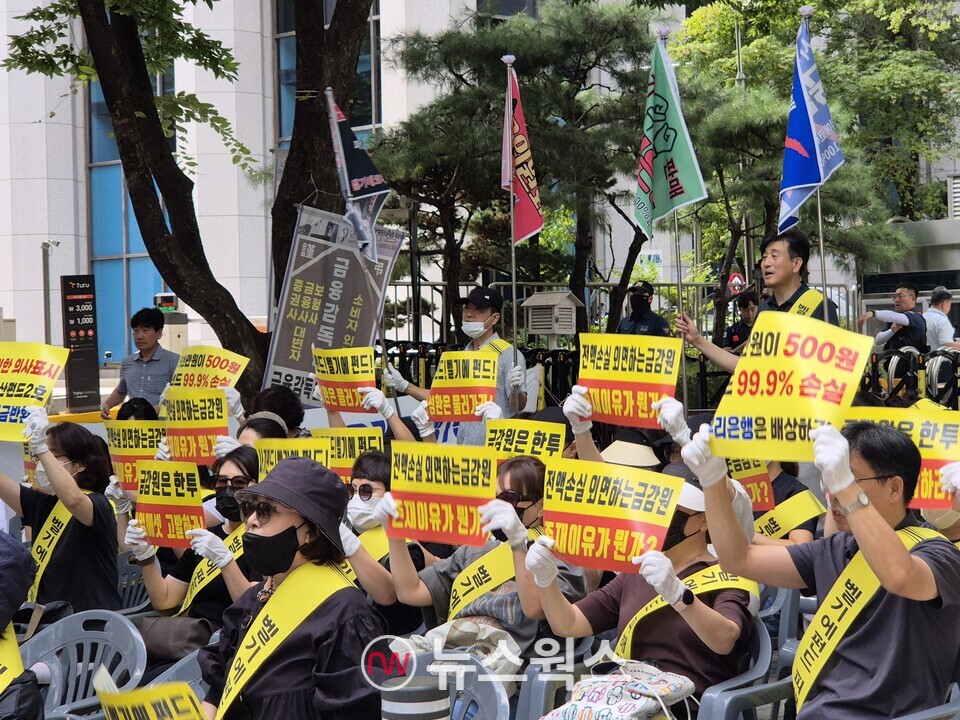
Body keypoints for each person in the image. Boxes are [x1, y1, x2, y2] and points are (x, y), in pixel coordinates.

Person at [683, 421, 960, 718]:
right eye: (829, 480)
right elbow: (739, 559)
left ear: (894, 488)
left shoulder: (938, 552)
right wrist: (712, 481)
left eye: (848, 479)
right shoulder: (835, 548)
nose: (832, 495)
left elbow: (899, 575)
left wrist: (845, 486)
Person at [525, 481, 756, 705]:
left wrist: (679, 595)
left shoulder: (725, 573)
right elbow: (569, 623)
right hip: (623, 697)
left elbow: (726, 639)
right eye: (658, 510)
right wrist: (546, 580)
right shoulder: (637, 572)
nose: (661, 519)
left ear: (704, 520)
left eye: (672, 510)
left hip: (684, 703)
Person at [198, 457, 389, 720]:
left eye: (266, 509)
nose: (252, 520)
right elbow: (217, 690)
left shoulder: (347, 616)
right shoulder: (252, 600)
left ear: (310, 531)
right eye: (250, 508)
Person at [377, 455, 587, 660]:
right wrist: (393, 532)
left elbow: (534, 609)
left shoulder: (559, 557)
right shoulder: (475, 551)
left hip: (505, 664)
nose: (498, 506)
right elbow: (410, 592)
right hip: (447, 647)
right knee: (383, 667)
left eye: (508, 498)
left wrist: (518, 544)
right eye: (494, 498)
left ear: (541, 505)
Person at [125, 446, 260, 680]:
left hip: (221, 648)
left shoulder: (263, 542)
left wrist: (226, 561)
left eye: (239, 483)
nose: (228, 490)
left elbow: (252, 607)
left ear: (257, 486)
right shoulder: (207, 537)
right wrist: (147, 558)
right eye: (221, 482)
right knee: (123, 673)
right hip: (183, 640)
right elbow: (164, 599)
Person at [0, 410, 121, 611]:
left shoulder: (99, 505)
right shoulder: (43, 502)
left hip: (89, 624)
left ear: (80, 465)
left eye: (53, 455)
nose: (42, 463)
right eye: (39, 455)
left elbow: (74, 501)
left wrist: (41, 448)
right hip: (45, 621)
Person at [676, 230, 839, 373]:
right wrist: (697, 339)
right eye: (764, 257)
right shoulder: (764, 310)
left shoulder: (820, 306)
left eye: (774, 256)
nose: (766, 263)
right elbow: (748, 367)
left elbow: (832, 371)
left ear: (796, 264)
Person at [385, 286, 527, 446]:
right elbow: (440, 398)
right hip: (463, 448)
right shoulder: (462, 355)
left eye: (479, 309)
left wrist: (516, 389)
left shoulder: (508, 354)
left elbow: (519, 406)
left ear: (494, 318)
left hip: (497, 449)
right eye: (466, 308)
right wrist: (404, 385)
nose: (469, 314)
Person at [338, 450, 449, 636]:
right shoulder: (347, 531)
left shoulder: (410, 548)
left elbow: (387, 596)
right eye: (353, 490)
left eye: (366, 490)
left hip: (396, 645)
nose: (357, 498)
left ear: (392, 494)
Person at [100, 307, 180, 417]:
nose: (139, 336)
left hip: (162, 425)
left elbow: (180, 397)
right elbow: (121, 391)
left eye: (145, 330)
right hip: (133, 425)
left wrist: (158, 410)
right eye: (136, 331)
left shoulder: (174, 361)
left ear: (159, 333)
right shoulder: (127, 363)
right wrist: (107, 404)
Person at [857, 283, 928, 352]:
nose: (896, 300)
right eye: (895, 297)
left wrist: (873, 313)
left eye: (900, 296)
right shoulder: (894, 319)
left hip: (911, 362)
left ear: (912, 298)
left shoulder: (916, 317)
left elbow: (896, 317)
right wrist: (892, 331)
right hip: (892, 362)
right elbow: (878, 341)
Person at [923, 286, 960, 352]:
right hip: (940, 360)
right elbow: (947, 344)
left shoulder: (923, 317)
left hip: (924, 359)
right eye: (949, 304)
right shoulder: (942, 321)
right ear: (944, 304)